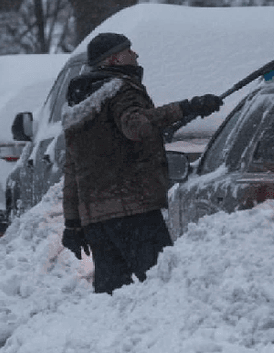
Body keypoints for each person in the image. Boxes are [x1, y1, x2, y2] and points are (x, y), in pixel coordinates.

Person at [60, 32, 222, 294]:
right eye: (129, 50)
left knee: (111, 296)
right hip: (133, 210)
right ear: (113, 59)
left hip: (97, 220)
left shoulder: (78, 105)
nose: (135, 55)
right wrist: (185, 107)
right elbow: (135, 127)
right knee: (162, 286)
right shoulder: (120, 89)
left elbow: (72, 167)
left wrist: (73, 223)